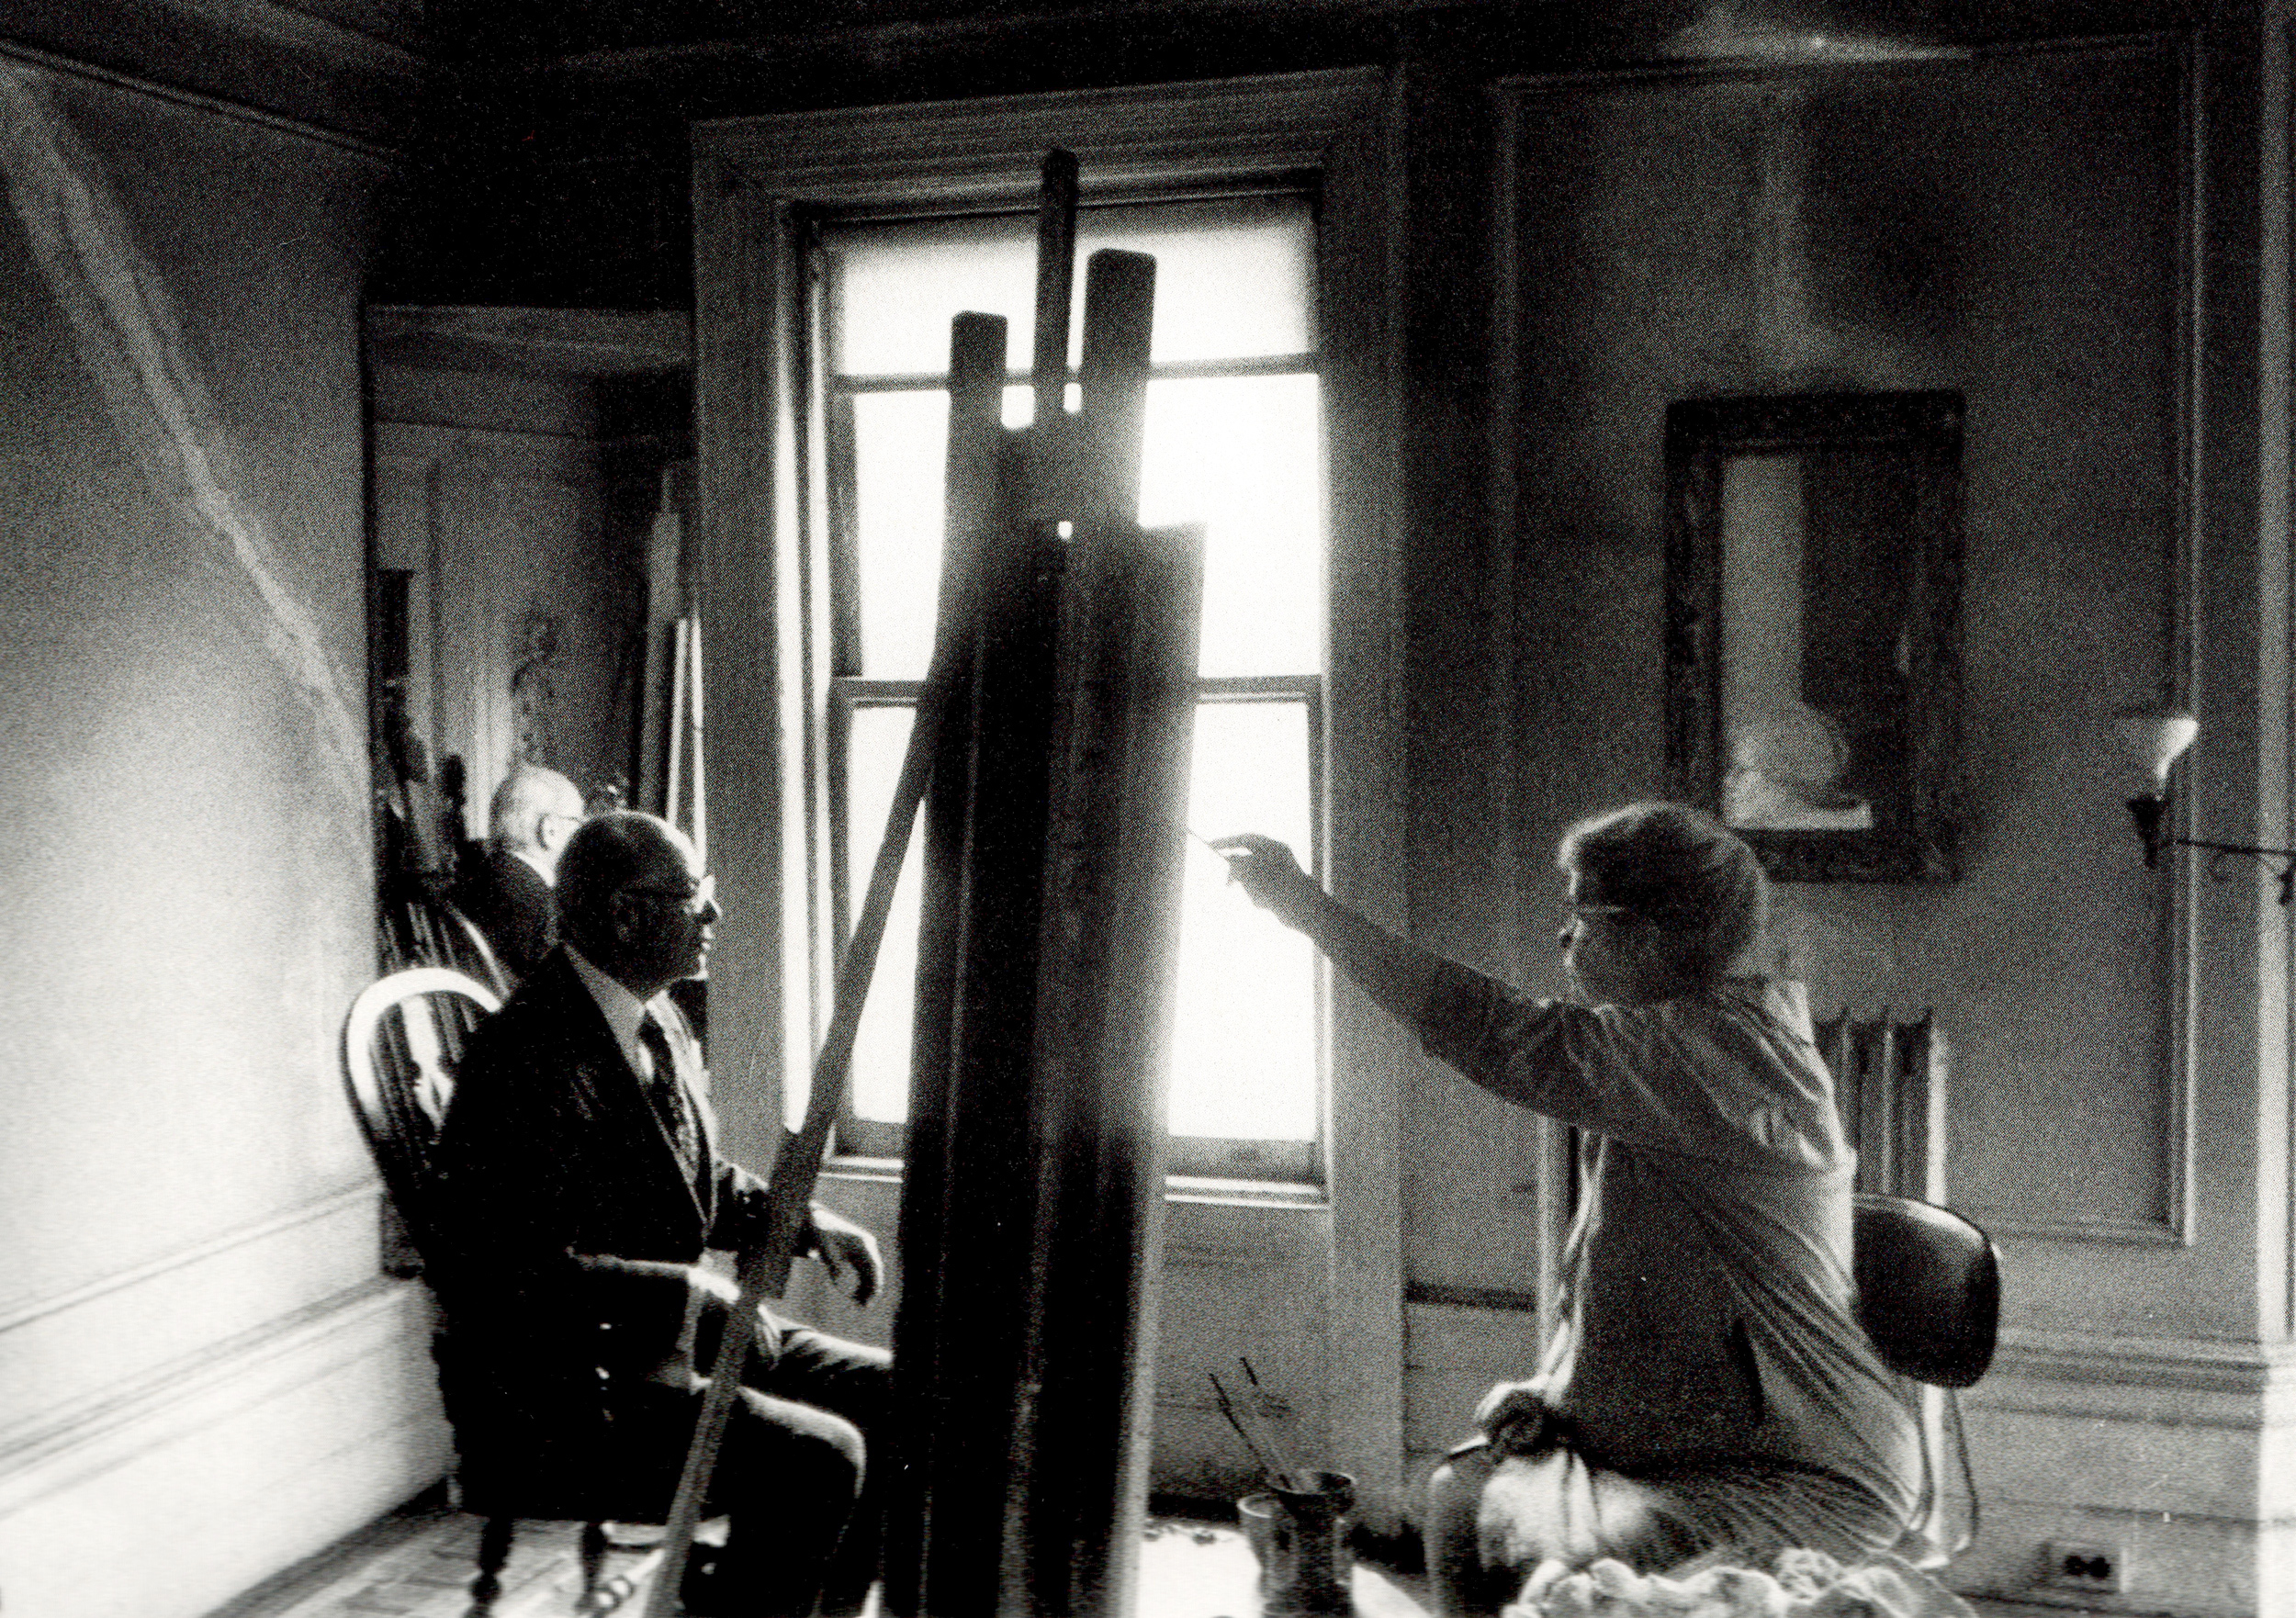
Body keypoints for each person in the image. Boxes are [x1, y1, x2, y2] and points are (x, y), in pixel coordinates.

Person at [1214, 803, 1920, 1616]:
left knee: (1554, 1563)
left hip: (1799, 1471)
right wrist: (1553, 1389)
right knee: (1463, 1494)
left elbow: (1491, 1030)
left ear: (1646, 937)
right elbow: (1615, 1281)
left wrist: (1306, 907)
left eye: (1580, 915)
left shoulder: (1718, 1052)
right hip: (1697, 1448)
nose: (1564, 936)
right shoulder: (1677, 1047)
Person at [430, 810, 893, 1618]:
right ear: (626, 914)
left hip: (659, 1349)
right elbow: (505, 1274)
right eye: (693, 895)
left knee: (898, 1395)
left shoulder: (658, 1017)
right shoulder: (523, 1056)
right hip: (560, 1393)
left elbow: (688, 1179)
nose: (713, 912)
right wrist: (689, 1293)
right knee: (822, 1456)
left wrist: (803, 1217)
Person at [454, 765, 586, 983]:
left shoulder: (476, 879)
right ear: (550, 831)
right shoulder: (545, 908)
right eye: (578, 822)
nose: (581, 834)